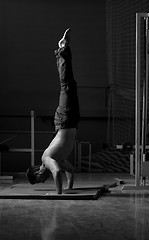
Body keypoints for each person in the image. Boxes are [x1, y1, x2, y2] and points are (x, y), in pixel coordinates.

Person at [26, 28, 80, 194]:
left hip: (64, 120)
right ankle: (62, 50)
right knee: (71, 85)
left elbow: (57, 173)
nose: (44, 182)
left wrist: (59, 195)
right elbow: (69, 170)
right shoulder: (59, 159)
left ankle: (62, 48)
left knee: (67, 85)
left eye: (40, 181)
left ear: (37, 173)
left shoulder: (46, 159)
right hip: (69, 121)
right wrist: (68, 189)